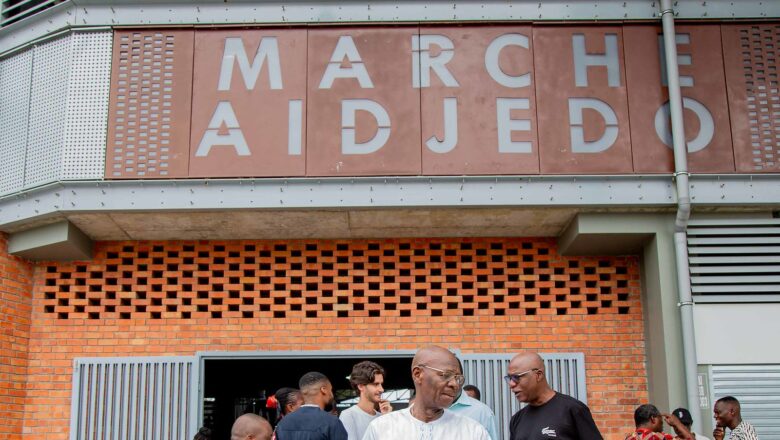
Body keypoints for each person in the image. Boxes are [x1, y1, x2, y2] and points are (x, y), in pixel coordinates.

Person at [362, 345, 489, 440]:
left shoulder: (473, 432)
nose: (454, 384)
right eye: (446, 375)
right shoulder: (381, 429)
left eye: (458, 378)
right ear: (418, 374)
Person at [506, 351, 602, 440]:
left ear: (538, 375)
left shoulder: (572, 409)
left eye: (516, 377)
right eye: (509, 378)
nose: (511, 384)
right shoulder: (517, 420)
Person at [274, 371, 348, 440]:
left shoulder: (283, 423)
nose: (332, 394)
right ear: (323, 390)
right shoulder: (331, 422)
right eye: (331, 389)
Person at [339, 361, 393, 440]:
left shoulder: (382, 417)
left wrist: (387, 418)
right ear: (361, 386)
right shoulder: (348, 415)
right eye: (376, 384)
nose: (382, 389)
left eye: (381, 384)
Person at [448, 360, 498, 439]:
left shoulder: (483, 412)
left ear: (461, 378)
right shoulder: (426, 409)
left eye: (456, 377)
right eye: (444, 376)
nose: (451, 383)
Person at [624, 404, 692, 440]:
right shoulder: (657, 437)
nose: (662, 422)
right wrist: (677, 423)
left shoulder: (629, 438)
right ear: (653, 418)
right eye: (660, 418)